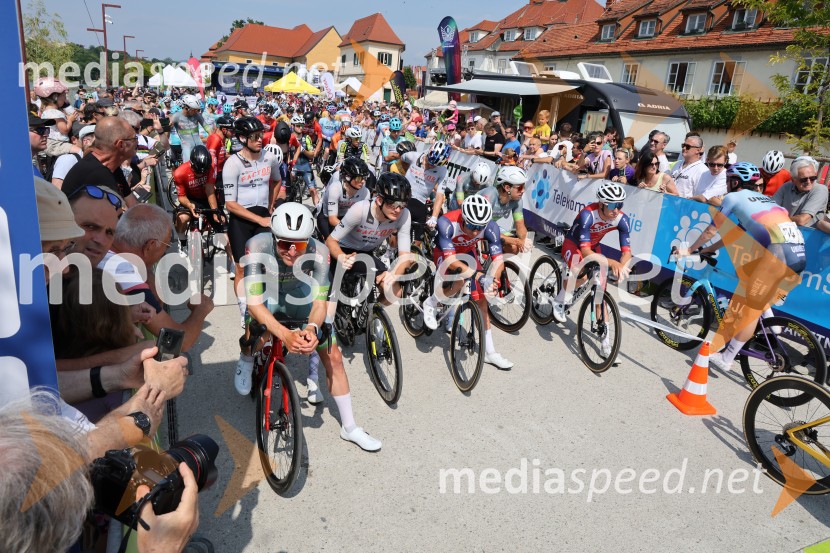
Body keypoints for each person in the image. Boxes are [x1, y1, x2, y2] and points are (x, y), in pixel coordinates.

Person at [239, 203, 381, 450]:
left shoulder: (320, 251)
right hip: (268, 292)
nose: (293, 252)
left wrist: (313, 328)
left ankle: (350, 427)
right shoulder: (257, 245)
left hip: (299, 295)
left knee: (334, 357)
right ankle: (246, 358)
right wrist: (284, 334)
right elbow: (254, 305)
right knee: (257, 334)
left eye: (300, 245)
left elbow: (319, 303)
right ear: (273, 237)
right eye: (285, 244)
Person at [679, 169, 807, 372]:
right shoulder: (767, 201)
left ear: (735, 182)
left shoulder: (733, 198)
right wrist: (709, 249)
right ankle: (771, 323)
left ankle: (726, 358)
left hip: (779, 257)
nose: (727, 184)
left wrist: (690, 250)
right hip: (799, 256)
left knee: (750, 310)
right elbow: (736, 233)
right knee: (750, 278)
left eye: (728, 180)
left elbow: (711, 230)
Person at [422, 194, 513, 369]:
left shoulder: (491, 227)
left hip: (467, 251)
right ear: (463, 218)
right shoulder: (447, 222)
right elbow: (451, 262)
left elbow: (499, 262)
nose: (475, 231)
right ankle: (431, 302)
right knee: (458, 280)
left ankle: (490, 352)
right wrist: (479, 276)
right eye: (471, 226)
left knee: (482, 301)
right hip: (444, 252)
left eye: (480, 228)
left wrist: (493, 282)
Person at [551, 182, 632, 359]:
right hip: (574, 244)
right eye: (612, 205)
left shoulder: (622, 219)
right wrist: (612, 262)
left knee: (600, 293)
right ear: (601, 204)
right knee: (580, 275)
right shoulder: (588, 214)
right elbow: (586, 252)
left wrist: (622, 266)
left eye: (620, 204)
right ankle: (559, 300)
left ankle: (606, 344)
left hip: (594, 247)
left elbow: (627, 252)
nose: (616, 209)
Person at [224, 116, 283, 325]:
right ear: (242, 138)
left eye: (261, 135)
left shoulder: (269, 157)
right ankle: (244, 310)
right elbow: (230, 204)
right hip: (241, 220)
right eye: (255, 136)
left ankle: (265, 305)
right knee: (241, 268)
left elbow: (277, 180)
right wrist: (260, 219)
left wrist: (270, 206)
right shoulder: (232, 164)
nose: (260, 140)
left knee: (266, 264)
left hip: (263, 217)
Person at [61, 117, 142, 207]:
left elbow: (132, 205)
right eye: (134, 138)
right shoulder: (96, 174)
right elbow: (117, 212)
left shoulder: (112, 168)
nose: (137, 142)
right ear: (121, 145)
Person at [400, 141, 455, 244]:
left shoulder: (443, 171)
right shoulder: (413, 156)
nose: (430, 166)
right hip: (404, 196)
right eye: (429, 162)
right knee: (395, 231)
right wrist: (405, 172)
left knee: (418, 241)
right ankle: (390, 250)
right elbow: (402, 159)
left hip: (420, 201)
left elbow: (439, 195)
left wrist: (434, 217)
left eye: (434, 165)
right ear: (429, 152)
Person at [173, 145, 225, 248]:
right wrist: (189, 205)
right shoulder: (179, 173)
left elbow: (209, 190)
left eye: (204, 172)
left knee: (223, 223)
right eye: (197, 172)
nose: (200, 175)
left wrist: (215, 212)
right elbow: (181, 196)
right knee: (181, 218)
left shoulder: (211, 166)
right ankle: (182, 241)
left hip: (208, 197)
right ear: (191, 164)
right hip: (191, 199)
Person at [476, 166, 532, 255]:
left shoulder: (518, 201)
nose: (523, 191)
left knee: (514, 248)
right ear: (507, 188)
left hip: (490, 225)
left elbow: (520, 225)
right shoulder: (489, 195)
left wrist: (523, 240)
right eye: (520, 187)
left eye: (524, 186)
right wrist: (516, 241)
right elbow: (481, 228)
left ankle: (493, 261)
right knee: (484, 248)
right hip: (476, 226)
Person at [317, 156, 371, 239]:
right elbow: (333, 220)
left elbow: (364, 219)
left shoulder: (365, 192)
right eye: (359, 178)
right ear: (348, 177)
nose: (363, 181)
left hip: (345, 217)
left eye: (365, 178)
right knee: (331, 242)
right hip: (327, 217)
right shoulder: (335, 188)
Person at [773, 156, 827, 227]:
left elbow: (802, 220)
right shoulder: (786, 186)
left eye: (812, 178)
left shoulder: (820, 190)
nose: (808, 182)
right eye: (803, 179)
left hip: (807, 232)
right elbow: (771, 208)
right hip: (783, 229)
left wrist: (779, 219)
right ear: (793, 180)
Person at [171, 94, 210, 162]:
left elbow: (208, 128)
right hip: (186, 146)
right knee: (188, 164)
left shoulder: (197, 115)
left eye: (197, 110)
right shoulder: (176, 116)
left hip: (199, 144)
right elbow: (167, 128)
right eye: (194, 110)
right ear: (187, 108)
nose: (196, 112)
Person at [670, 134, 707, 198]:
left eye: (688, 146)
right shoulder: (677, 164)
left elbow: (700, 196)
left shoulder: (702, 171)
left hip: (685, 203)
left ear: (698, 150)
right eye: (683, 145)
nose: (684, 148)